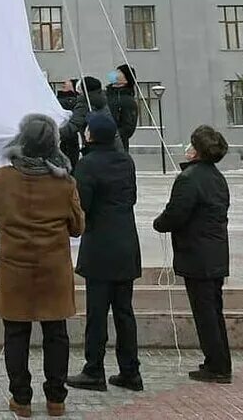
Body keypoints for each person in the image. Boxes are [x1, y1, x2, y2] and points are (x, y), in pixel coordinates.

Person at [0, 114, 85, 418]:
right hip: (53, 269)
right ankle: (56, 398)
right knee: (56, 334)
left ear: (21, 141)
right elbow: (78, 226)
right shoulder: (64, 184)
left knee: (16, 335)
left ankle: (21, 399)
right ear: (53, 143)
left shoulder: (0, 179)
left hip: (15, 270)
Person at [67, 113, 143, 393]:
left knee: (97, 313)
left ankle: (94, 370)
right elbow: (132, 197)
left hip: (100, 244)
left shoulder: (87, 164)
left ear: (91, 135)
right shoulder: (126, 161)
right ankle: (130, 371)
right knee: (124, 311)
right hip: (126, 242)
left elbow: (81, 203)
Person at [153, 125, 232, 384]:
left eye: (190, 145)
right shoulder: (217, 177)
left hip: (198, 254)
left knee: (205, 313)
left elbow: (176, 213)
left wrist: (160, 223)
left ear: (196, 152)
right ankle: (218, 361)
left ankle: (217, 366)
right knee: (214, 311)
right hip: (216, 253)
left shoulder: (190, 179)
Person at [58, 77, 124, 154]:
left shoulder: (85, 103)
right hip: (113, 144)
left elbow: (74, 125)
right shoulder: (102, 99)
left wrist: (53, 134)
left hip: (94, 147)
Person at [105, 65, 139, 152]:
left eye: (119, 72)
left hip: (117, 147)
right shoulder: (105, 95)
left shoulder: (127, 100)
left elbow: (128, 128)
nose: (114, 74)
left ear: (126, 79)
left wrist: (108, 135)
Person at [56, 80, 81, 173]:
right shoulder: (59, 98)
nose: (64, 83)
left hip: (67, 132)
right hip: (65, 133)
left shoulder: (72, 100)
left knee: (70, 153)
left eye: (68, 81)